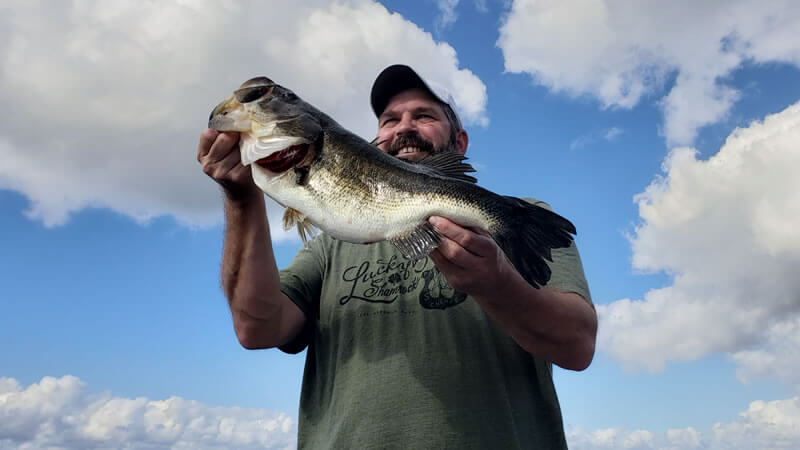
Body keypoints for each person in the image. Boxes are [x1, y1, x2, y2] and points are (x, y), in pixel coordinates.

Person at [197, 64, 597, 449]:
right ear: (373, 145)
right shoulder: (329, 244)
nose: (404, 127)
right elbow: (257, 329)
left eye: (424, 115)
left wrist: (498, 285)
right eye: (389, 120)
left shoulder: (522, 220)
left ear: (459, 143)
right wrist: (241, 198)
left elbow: (577, 346)